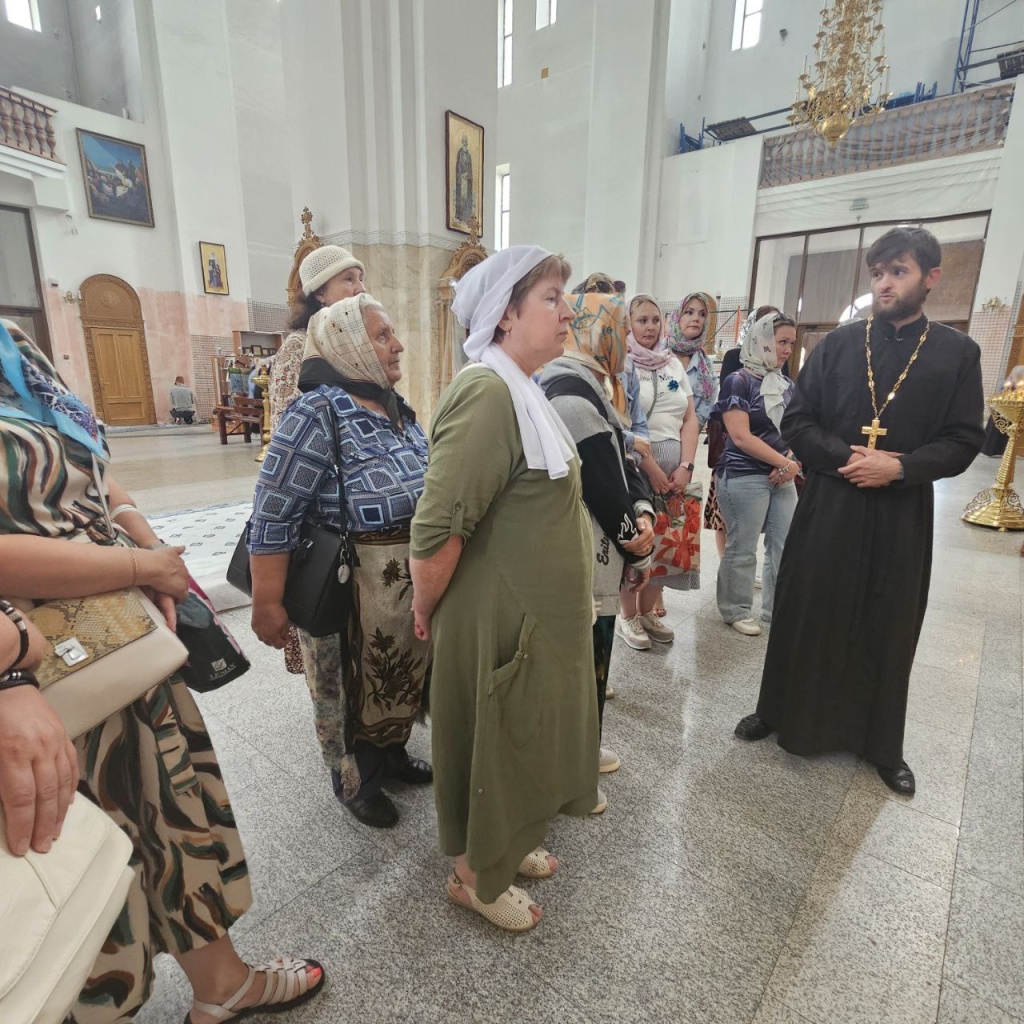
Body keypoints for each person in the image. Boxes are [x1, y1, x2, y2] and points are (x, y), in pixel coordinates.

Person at [0, 319, 324, 1024]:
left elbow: (88, 463)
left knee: (169, 812)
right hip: (29, 673)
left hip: (116, 639)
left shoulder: (11, 343)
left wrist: (149, 549)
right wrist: (136, 567)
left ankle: (222, 983)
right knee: (64, 866)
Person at [734, 227, 985, 795]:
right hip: (832, 502)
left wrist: (900, 468)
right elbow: (798, 421)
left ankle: (881, 745)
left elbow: (964, 439)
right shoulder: (838, 346)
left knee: (887, 620)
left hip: (901, 511)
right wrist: (849, 459)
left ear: (931, 277)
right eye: (877, 273)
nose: (884, 283)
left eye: (898, 271)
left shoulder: (956, 353)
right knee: (807, 606)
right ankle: (777, 711)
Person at [409, 246, 599, 933]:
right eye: (551, 297)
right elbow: (438, 525)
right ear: (505, 314)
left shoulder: (523, 387)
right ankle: (473, 875)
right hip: (495, 617)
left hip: (533, 618)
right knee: (493, 738)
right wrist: (424, 606)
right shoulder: (487, 393)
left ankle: (508, 844)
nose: (568, 311)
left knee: (522, 737)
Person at [248, 293, 431, 829]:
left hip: (400, 585)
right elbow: (273, 511)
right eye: (382, 336)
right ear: (348, 345)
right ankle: (355, 781)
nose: (397, 345)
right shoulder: (317, 411)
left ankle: (391, 752)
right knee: (345, 687)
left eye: (392, 333)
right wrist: (267, 603)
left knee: (394, 676)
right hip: (345, 583)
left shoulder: (394, 405)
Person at [540, 290, 656, 787]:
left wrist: (644, 509)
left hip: (599, 545)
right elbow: (604, 487)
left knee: (592, 658)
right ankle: (573, 758)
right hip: (587, 551)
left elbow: (624, 460)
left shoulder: (590, 383)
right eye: (622, 330)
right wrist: (637, 544)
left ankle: (579, 747)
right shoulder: (570, 393)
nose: (628, 341)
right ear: (599, 332)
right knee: (584, 658)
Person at [269, 245, 366, 677]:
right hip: (316, 502)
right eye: (348, 279)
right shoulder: (298, 347)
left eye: (361, 279)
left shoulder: (352, 342)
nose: (359, 288)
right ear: (319, 293)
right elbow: (288, 429)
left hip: (354, 500)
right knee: (322, 617)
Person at [619, 293, 699, 649]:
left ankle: (648, 611)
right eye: (642, 320)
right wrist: (650, 468)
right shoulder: (623, 365)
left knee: (664, 544)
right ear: (628, 325)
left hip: (675, 475)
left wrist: (686, 465)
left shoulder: (673, 365)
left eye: (655, 320)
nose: (650, 327)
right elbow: (626, 423)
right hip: (638, 470)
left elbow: (690, 418)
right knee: (638, 540)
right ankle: (627, 615)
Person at [712, 312, 799, 637]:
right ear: (762, 340)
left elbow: (796, 429)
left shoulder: (785, 384)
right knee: (743, 545)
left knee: (783, 545)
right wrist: (784, 462)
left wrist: (791, 460)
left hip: (782, 475)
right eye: (781, 341)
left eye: (791, 343)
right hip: (743, 475)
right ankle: (735, 610)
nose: (787, 349)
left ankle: (775, 609)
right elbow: (740, 436)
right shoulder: (739, 380)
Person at [706, 305, 782, 562]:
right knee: (725, 518)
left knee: (759, 524)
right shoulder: (735, 358)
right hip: (734, 449)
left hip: (770, 452)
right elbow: (730, 409)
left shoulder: (779, 366)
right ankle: (724, 563)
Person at [666, 291, 719, 428]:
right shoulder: (657, 354)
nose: (696, 319)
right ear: (677, 316)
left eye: (702, 314)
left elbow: (704, 410)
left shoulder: (706, 366)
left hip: (689, 435)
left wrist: (688, 432)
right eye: (689, 312)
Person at [454, 135, 474, 224]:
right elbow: (458, 165)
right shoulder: (460, 153)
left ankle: (466, 216)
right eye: (463, 141)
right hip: (461, 179)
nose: (465, 143)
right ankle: (459, 215)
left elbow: (470, 167)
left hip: (467, 179)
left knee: (466, 198)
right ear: (462, 142)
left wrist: (468, 175)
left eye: (466, 142)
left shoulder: (468, 155)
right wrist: (461, 176)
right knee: (461, 197)